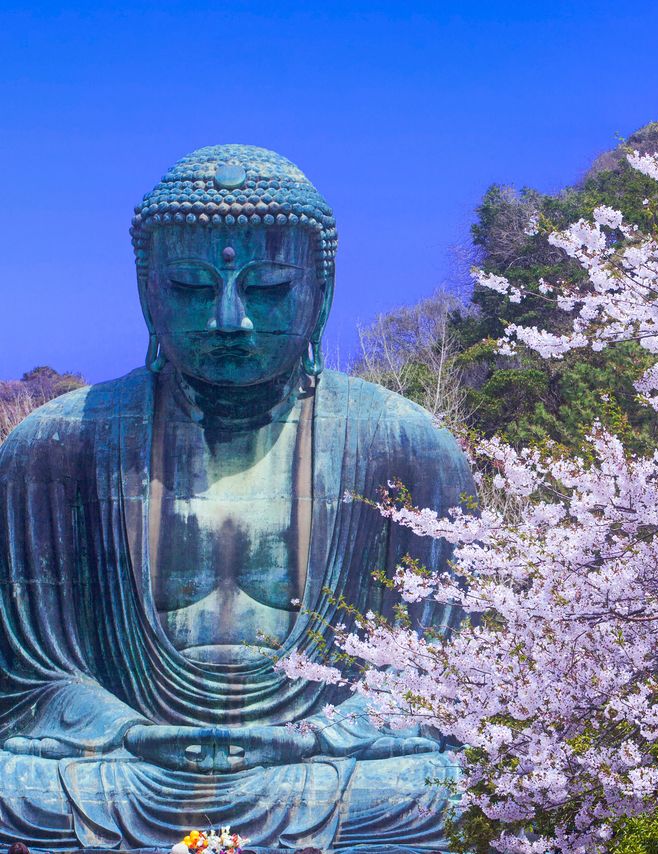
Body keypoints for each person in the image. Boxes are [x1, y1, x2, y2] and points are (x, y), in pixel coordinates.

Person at [0, 145, 470, 851]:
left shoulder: (406, 446)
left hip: (323, 771)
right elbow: (31, 679)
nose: (229, 319)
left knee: (440, 792)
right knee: (18, 793)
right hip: (127, 770)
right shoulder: (55, 445)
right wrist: (129, 732)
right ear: (145, 289)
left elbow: (442, 679)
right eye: (190, 287)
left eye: (270, 286)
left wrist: (321, 736)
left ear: (323, 290)